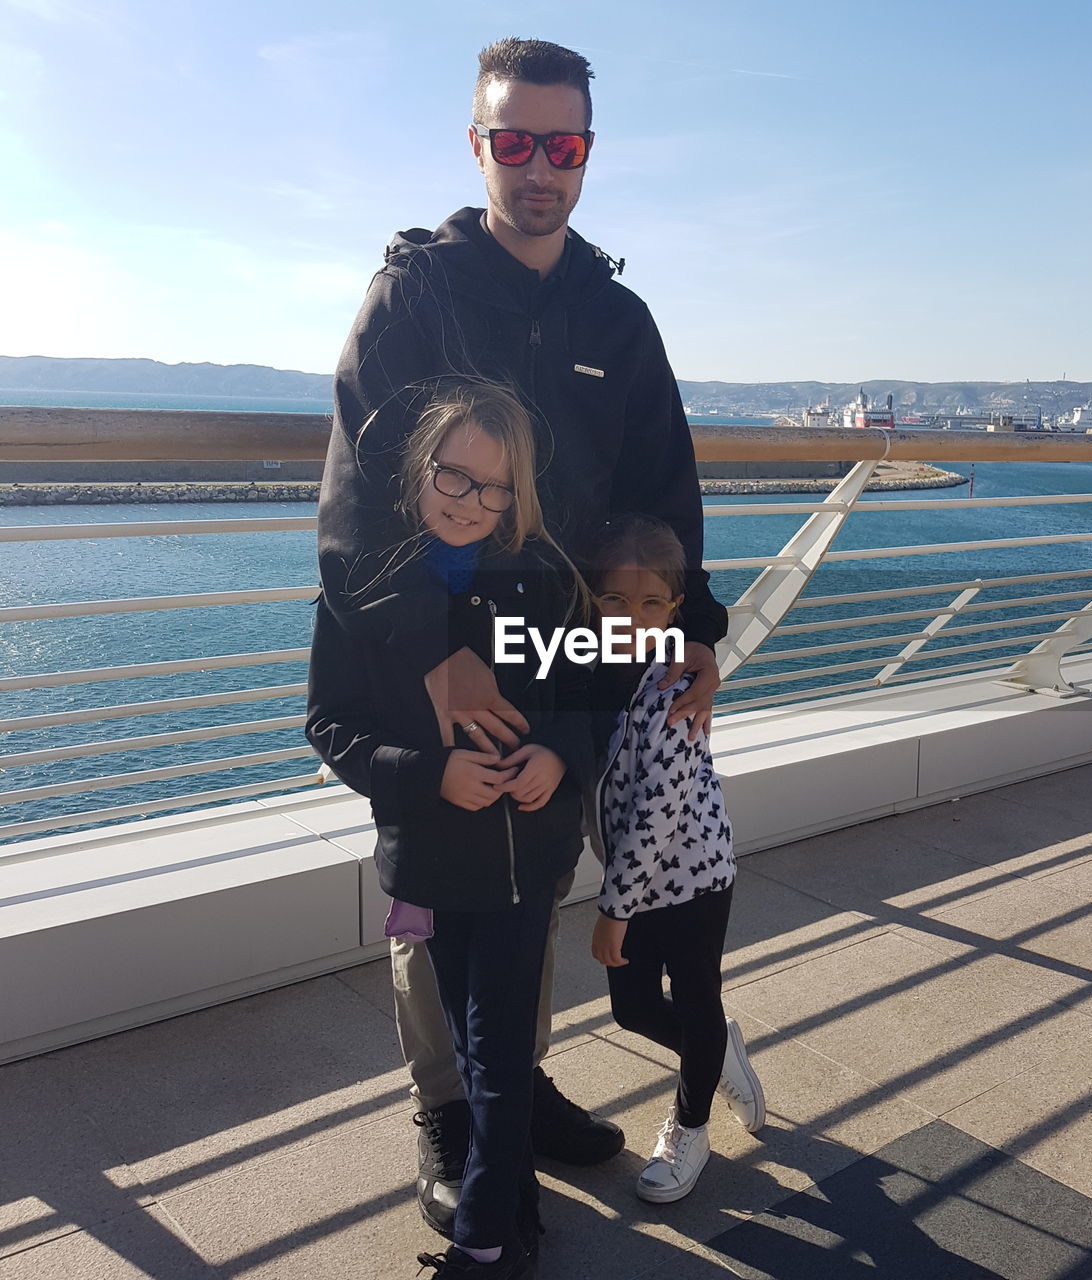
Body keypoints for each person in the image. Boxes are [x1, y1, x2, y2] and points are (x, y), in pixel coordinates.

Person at [314, 36, 729, 1233]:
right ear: (477, 145)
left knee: (537, 858)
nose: (538, 167)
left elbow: (666, 493)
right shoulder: (415, 294)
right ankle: (449, 1109)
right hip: (439, 640)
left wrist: (692, 625)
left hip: (568, 651)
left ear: (587, 153)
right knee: (443, 873)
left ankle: (512, 1081)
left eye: (562, 144)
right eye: (514, 141)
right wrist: (422, 646)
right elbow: (350, 503)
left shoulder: (617, 314)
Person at [307, 379, 594, 1279]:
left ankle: (484, 1243)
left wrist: (558, 757)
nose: (473, 501)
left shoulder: (545, 581)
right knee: (475, 1047)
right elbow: (331, 723)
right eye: (455, 477)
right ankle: (518, 1206)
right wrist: (431, 775)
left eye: (496, 487)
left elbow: (580, 696)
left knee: (501, 1049)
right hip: (432, 865)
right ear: (419, 469)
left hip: (522, 858)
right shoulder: (368, 594)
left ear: (521, 494)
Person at [587, 515, 764, 1204]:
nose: (632, 619)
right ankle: (718, 1051)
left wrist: (612, 913)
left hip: (691, 882)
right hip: (640, 882)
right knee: (632, 1011)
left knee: (693, 1000)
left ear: (675, 608)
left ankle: (690, 1130)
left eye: (651, 604)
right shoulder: (599, 673)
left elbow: (656, 817)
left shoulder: (674, 692)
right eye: (615, 603)